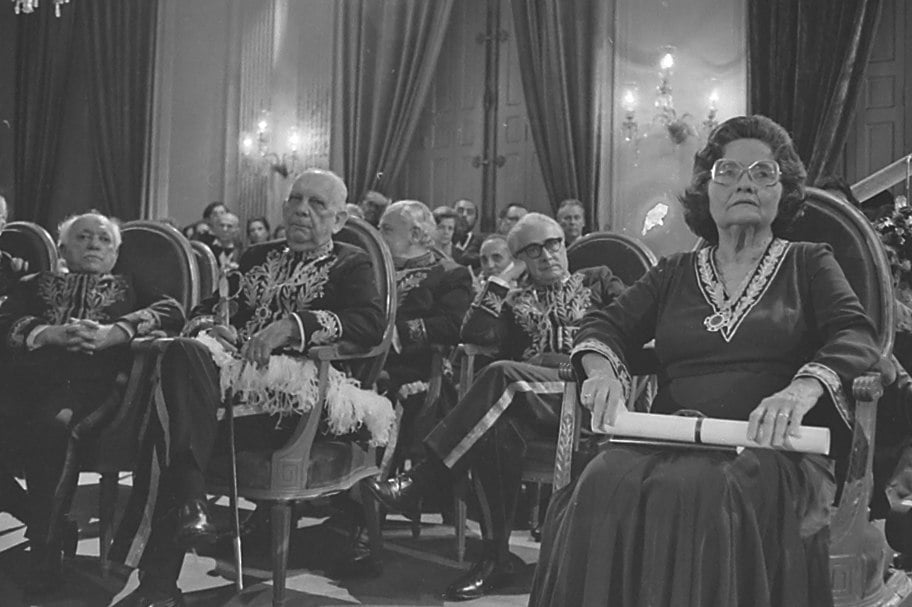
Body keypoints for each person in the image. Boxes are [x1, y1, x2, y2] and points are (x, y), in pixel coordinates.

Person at [529, 115, 881, 607]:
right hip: (673, 436)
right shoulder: (674, 271)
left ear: (784, 192)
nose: (744, 183)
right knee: (601, 480)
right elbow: (605, 325)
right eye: (728, 172)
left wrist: (800, 390)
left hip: (772, 449)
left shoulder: (809, 262)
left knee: (705, 490)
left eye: (763, 173)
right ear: (705, 192)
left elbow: (856, 333)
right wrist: (603, 371)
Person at [110, 168, 388, 607]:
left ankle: (162, 571)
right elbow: (206, 308)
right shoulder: (258, 255)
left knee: (167, 419)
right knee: (183, 355)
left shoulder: (352, 262)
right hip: (226, 390)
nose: (301, 209)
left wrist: (291, 327)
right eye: (295, 199)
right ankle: (187, 513)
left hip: (295, 399)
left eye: (317, 204)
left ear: (337, 220)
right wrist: (212, 327)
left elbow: (369, 326)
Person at [367, 212, 627, 600]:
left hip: (589, 398)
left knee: (502, 373)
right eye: (532, 251)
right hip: (531, 406)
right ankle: (495, 559)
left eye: (554, 244)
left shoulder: (598, 280)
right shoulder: (515, 301)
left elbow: (631, 326)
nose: (547, 255)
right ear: (519, 258)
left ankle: (425, 476)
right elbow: (471, 334)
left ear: (565, 244)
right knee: (494, 434)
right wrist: (504, 278)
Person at [0, 212, 185, 594]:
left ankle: (45, 553)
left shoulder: (131, 287)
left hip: (99, 391)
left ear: (117, 253)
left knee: (55, 425)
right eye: (83, 238)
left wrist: (117, 332)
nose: (94, 246)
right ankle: (38, 519)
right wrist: (48, 333)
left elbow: (173, 311)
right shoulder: (35, 284)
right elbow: (5, 320)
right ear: (63, 248)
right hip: (26, 387)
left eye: (104, 241)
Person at [334, 200, 473, 574]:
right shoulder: (372, 271)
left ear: (416, 234)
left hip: (414, 373)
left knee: (382, 403)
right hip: (359, 362)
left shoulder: (450, 273)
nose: (378, 236)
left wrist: (397, 334)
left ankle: (366, 525)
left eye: (386, 228)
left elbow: (455, 325)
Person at [453, 199, 484, 270]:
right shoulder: (441, 240)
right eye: (460, 211)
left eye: (469, 212)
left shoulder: (482, 245)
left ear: (476, 219)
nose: (464, 215)